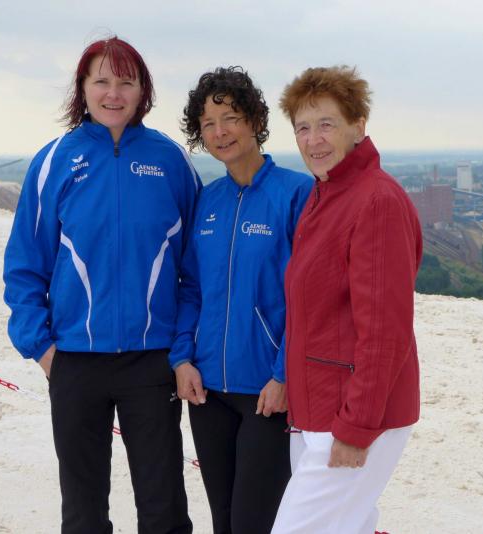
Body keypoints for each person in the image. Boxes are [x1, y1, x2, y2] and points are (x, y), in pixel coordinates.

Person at [3, 36, 197, 533]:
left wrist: (181, 349)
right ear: (83, 88)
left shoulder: (170, 161)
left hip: (151, 361)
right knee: (84, 511)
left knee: (164, 507)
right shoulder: (54, 161)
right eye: (102, 81)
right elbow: (25, 264)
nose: (114, 93)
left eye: (126, 82)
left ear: (142, 90)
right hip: (73, 359)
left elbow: (196, 268)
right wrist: (43, 348)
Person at [271, 66, 423, 534]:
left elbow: (385, 331)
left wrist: (357, 427)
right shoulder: (328, 195)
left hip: (353, 415)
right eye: (302, 127)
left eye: (326, 124)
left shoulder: (376, 202)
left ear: (358, 126)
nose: (313, 139)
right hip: (316, 410)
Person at [171, 66, 314, 534]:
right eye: (208, 124)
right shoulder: (207, 201)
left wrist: (284, 374)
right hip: (207, 391)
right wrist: (182, 359)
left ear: (255, 120)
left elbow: (309, 297)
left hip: (267, 392)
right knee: (224, 521)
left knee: (255, 522)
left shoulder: (296, 194)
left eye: (230, 118)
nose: (220, 132)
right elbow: (191, 288)